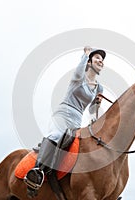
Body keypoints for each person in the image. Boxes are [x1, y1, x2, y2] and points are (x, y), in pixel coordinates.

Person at [24, 46, 106, 189]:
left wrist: (97, 104)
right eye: (97, 58)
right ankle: (36, 171)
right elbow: (79, 70)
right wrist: (85, 54)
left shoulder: (99, 88)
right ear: (89, 62)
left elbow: (92, 110)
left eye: (102, 59)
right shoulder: (79, 77)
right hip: (63, 114)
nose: (101, 61)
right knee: (57, 135)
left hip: (77, 120)